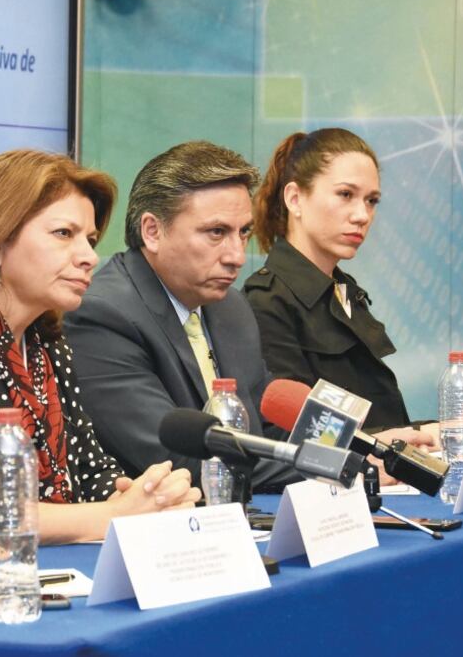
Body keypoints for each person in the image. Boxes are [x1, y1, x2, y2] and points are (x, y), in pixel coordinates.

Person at [0, 149, 200, 557]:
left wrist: (150, 497)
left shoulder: (46, 344)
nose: (89, 257)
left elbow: (90, 472)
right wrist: (112, 516)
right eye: (64, 233)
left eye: (91, 239)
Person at [243, 127, 463, 444]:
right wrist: (437, 433)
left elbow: (382, 425)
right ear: (295, 198)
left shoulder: (345, 291)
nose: (362, 215)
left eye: (372, 201)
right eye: (346, 194)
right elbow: (293, 439)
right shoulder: (266, 301)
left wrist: (454, 429)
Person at [63, 141, 299, 492]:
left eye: (243, 232)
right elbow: (184, 460)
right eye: (217, 233)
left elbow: (265, 427)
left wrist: (364, 448)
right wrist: (327, 467)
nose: (237, 255)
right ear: (153, 231)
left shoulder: (230, 307)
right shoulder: (101, 314)